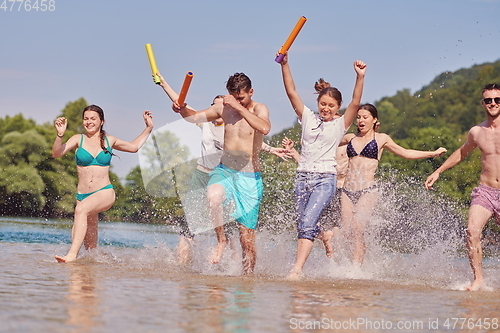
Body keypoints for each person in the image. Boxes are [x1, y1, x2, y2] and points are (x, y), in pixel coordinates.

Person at [157, 72, 285, 264]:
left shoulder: (260, 109)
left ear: (251, 92)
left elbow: (264, 128)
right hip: (224, 170)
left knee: (246, 240)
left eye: (241, 97)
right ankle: (221, 240)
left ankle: (246, 283)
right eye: (233, 97)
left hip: (249, 177)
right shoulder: (223, 108)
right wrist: (181, 109)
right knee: (213, 197)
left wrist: (238, 108)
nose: (237, 102)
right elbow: (194, 117)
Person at [278, 52, 366, 280]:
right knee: (302, 223)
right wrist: (285, 65)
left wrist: (360, 77)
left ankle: (296, 270)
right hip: (302, 177)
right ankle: (325, 235)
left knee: (306, 223)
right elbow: (291, 92)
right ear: (317, 103)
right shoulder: (307, 117)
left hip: (325, 179)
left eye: (331, 105)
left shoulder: (340, 124)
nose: (326, 108)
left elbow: (356, 102)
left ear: (338, 107)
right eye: (323, 104)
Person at [341, 103, 446, 265]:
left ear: (374, 120)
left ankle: (356, 270)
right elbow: (326, 142)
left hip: (367, 191)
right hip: (347, 191)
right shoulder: (350, 138)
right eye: (359, 117)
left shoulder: (381, 138)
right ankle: (350, 264)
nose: (361, 120)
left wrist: (432, 153)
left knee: (356, 230)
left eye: (365, 117)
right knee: (347, 233)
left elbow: (406, 153)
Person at [52, 105, 154, 262]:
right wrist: (60, 135)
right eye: (86, 119)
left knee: (81, 210)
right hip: (83, 195)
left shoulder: (109, 140)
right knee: (90, 248)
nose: (89, 122)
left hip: (104, 192)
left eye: (93, 118)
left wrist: (148, 128)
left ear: (101, 121)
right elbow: (56, 153)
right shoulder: (77, 139)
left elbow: (134, 147)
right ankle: (88, 274)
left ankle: (71, 255)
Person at [425, 83, 500, 291]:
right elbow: (461, 153)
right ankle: (478, 279)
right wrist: (438, 171)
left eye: (497, 100)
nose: (493, 103)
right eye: (488, 100)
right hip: (485, 191)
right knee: (471, 231)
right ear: (482, 103)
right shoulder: (477, 132)